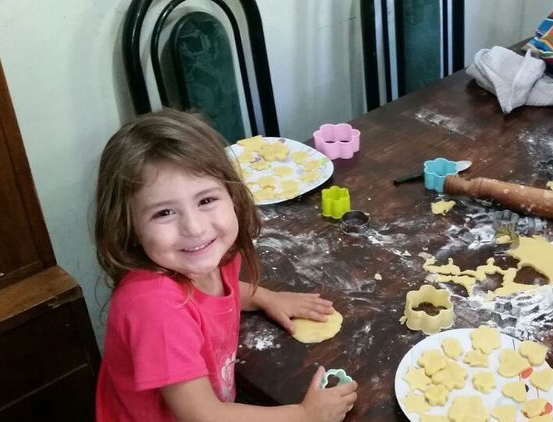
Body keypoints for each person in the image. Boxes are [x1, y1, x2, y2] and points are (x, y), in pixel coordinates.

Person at [93, 109, 358, 421]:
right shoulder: (156, 308)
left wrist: (264, 297)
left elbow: (218, 294)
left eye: (206, 200)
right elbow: (204, 416)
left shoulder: (209, 259)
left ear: (233, 195)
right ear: (129, 227)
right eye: (163, 213)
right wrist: (304, 415)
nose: (194, 227)